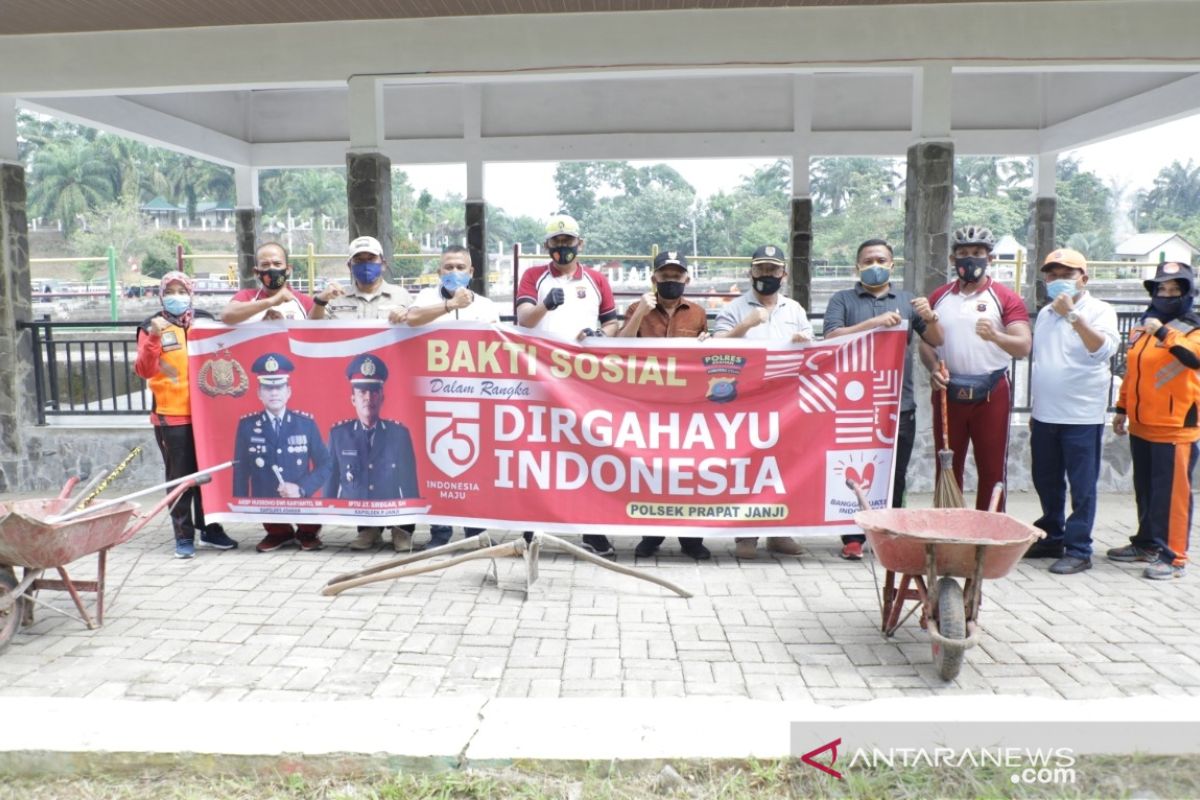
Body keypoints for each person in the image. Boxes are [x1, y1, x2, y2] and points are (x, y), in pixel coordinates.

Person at [823, 239, 944, 560]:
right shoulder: (842, 300)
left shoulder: (907, 301)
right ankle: (852, 536)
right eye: (868, 260)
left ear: (892, 264)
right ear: (857, 266)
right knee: (851, 471)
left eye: (881, 259)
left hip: (897, 403)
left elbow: (936, 339)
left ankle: (890, 529)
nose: (874, 264)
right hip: (853, 406)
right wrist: (873, 324)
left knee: (895, 472)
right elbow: (831, 338)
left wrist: (930, 317)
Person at [516, 214, 620, 559]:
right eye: (557, 243)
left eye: (569, 241)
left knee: (585, 452)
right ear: (548, 246)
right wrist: (547, 303)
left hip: (584, 380)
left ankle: (592, 530)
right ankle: (530, 529)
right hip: (541, 377)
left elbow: (612, 323)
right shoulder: (534, 277)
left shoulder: (596, 280)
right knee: (537, 451)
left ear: (581, 243)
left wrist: (601, 337)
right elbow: (523, 319)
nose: (563, 248)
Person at [309, 235, 416, 550]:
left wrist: (406, 316)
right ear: (350, 265)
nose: (366, 266)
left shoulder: (402, 296)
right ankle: (367, 528)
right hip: (356, 390)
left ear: (383, 262)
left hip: (394, 387)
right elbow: (312, 332)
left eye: (371, 259)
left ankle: (402, 528)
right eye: (360, 260)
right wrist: (320, 302)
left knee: (393, 457)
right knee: (358, 457)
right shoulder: (337, 299)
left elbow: (420, 329)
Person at [918, 225, 1031, 512]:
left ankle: (989, 532)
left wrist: (996, 336)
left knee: (992, 468)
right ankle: (948, 525)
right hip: (948, 390)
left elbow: (1023, 346)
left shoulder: (1005, 298)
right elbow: (927, 344)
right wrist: (933, 369)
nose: (971, 260)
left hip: (991, 392)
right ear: (952, 260)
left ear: (989, 258)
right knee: (947, 465)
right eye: (964, 254)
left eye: (978, 253)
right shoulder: (940, 297)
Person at [1025, 248, 1119, 575]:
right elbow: (1045, 364)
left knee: (1082, 485)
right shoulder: (1047, 314)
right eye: (1051, 275)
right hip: (1047, 414)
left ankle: (1079, 548)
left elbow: (1102, 349)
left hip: (1082, 416)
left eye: (1066, 274)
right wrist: (1036, 412)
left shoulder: (1100, 310)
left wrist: (1073, 316)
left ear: (1084, 278)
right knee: (1046, 480)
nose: (1057, 280)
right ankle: (1052, 534)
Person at [714, 244, 811, 560]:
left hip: (786, 403)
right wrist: (746, 325)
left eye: (772, 270)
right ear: (750, 272)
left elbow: (812, 350)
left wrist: (803, 342)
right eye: (760, 269)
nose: (766, 275)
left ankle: (781, 531)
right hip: (745, 401)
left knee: (783, 465)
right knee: (748, 465)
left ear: (782, 274)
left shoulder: (794, 310)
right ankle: (746, 534)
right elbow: (713, 348)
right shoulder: (735, 308)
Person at [134, 271, 238, 559]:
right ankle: (183, 535)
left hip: (209, 413)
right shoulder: (151, 326)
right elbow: (144, 370)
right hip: (172, 414)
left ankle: (211, 529)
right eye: (171, 290)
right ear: (162, 294)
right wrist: (154, 337)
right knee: (181, 477)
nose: (177, 296)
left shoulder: (205, 321)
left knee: (210, 474)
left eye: (182, 290)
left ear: (191, 293)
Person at [618, 250, 712, 561]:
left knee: (689, 469)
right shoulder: (637, 307)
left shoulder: (697, 313)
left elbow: (708, 356)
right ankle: (652, 534)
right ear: (654, 278)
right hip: (648, 404)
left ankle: (691, 537)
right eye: (665, 275)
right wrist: (639, 315)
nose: (671, 280)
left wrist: (708, 344)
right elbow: (619, 346)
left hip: (687, 407)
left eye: (677, 275)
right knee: (650, 470)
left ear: (686, 278)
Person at [1109, 261, 1200, 581]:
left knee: (1172, 495)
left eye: (1175, 289)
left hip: (1176, 427)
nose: (1166, 294)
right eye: (1161, 288)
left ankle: (1174, 556)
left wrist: (1162, 331)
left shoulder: (1193, 328)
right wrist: (1122, 409)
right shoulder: (1142, 327)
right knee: (1146, 490)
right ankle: (1147, 543)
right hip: (1141, 424)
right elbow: (1132, 373)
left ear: (1188, 293)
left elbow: (1194, 358)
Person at [406, 245, 501, 549]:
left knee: (477, 467)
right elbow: (413, 319)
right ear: (439, 272)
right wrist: (449, 306)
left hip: (475, 400)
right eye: (448, 267)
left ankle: (476, 533)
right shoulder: (424, 299)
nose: (454, 272)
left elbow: (499, 348)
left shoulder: (486, 306)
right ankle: (440, 534)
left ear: (472, 272)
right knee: (437, 466)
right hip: (433, 400)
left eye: (461, 267)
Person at [231, 353, 332, 552]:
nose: (274, 393)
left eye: (279, 387)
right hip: (267, 504)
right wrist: (240, 506)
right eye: (268, 387)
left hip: (301, 501)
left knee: (308, 522)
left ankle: (307, 532)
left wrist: (301, 489)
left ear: (288, 392)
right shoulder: (247, 426)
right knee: (272, 522)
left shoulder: (306, 424)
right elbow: (241, 470)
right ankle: (279, 533)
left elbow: (326, 464)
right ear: (259, 393)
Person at [326, 354, 420, 541]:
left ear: (382, 397)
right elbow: (331, 481)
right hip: (359, 513)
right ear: (353, 399)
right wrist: (324, 514)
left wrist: (408, 526)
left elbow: (410, 485)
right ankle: (368, 530)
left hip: (395, 513)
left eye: (374, 392)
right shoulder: (339, 434)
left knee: (402, 535)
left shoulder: (398, 434)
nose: (369, 397)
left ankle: (400, 531)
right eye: (362, 392)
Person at [220, 242, 313, 323]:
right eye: (265, 265)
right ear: (256, 272)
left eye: (277, 264)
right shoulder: (246, 296)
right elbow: (227, 315)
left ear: (288, 269)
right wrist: (272, 301)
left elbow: (316, 334)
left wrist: (283, 327)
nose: (271, 268)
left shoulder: (304, 301)